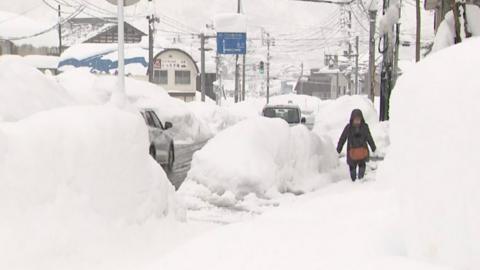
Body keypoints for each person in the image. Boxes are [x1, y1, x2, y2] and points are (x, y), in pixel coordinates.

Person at [337, 109, 376, 182]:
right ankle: (354, 182)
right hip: (352, 153)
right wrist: (338, 149)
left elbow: (369, 138)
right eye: (356, 119)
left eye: (359, 119)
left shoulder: (364, 127)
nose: (357, 121)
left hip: (362, 152)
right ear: (352, 119)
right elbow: (342, 138)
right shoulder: (348, 128)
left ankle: (360, 181)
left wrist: (373, 147)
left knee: (362, 168)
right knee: (352, 171)